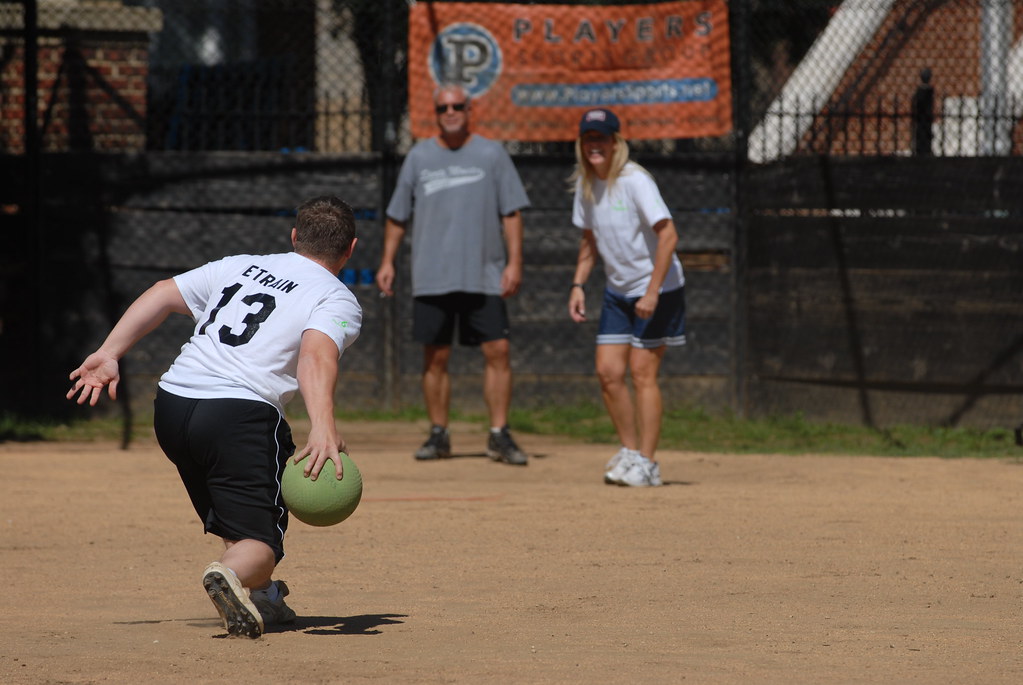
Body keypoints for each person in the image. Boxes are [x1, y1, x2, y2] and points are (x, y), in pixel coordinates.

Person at [66, 195, 363, 638]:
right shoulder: (337, 297)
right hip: (236, 415)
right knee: (259, 542)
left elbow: (164, 293)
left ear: (295, 236)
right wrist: (323, 428)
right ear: (351, 249)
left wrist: (110, 353)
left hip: (172, 403)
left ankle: (261, 596)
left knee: (237, 516)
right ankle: (233, 575)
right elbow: (316, 357)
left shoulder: (241, 265)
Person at [376, 82, 531, 465]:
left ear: (469, 109)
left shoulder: (492, 154)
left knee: (498, 350)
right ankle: (439, 434)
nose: (451, 112)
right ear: (435, 112)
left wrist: (514, 262)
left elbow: (511, 213)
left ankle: (498, 434)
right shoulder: (418, 158)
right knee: (436, 356)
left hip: (484, 273)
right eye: (443, 107)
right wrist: (387, 261)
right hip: (433, 273)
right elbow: (397, 216)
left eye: (457, 106)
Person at [567, 108, 687, 487]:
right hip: (618, 292)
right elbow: (589, 241)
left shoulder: (636, 181)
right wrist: (577, 285)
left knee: (641, 372)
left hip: (658, 289)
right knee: (608, 372)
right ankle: (631, 452)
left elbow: (668, 235)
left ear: (617, 143)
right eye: (589, 138)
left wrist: (652, 291)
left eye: (602, 138)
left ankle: (649, 464)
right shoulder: (587, 185)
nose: (595, 145)